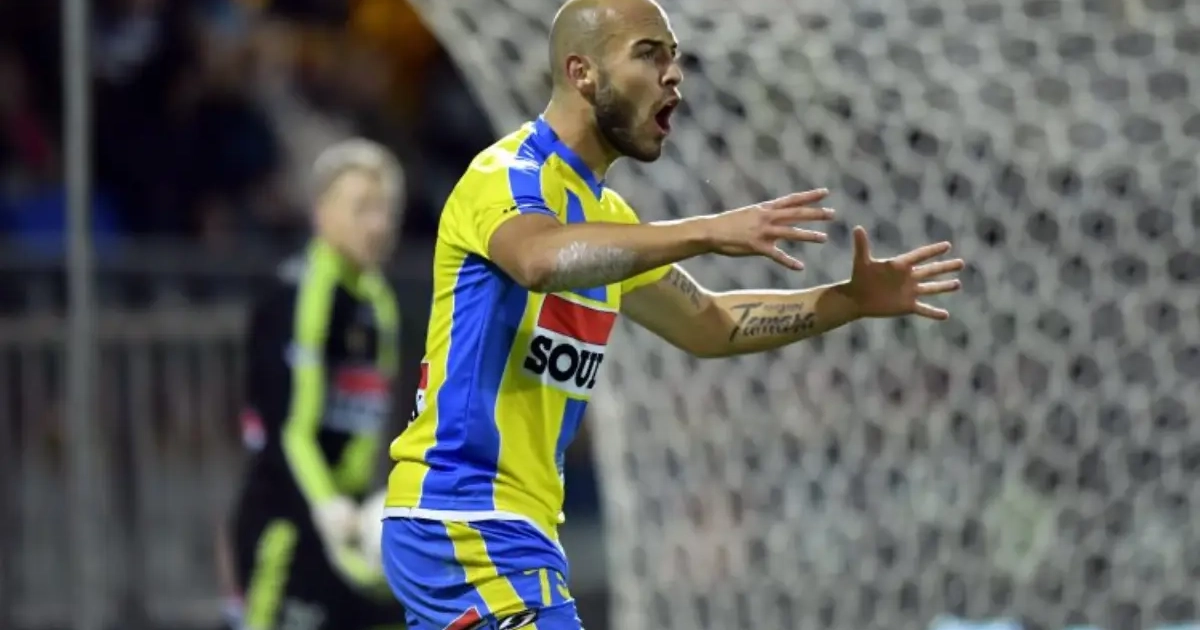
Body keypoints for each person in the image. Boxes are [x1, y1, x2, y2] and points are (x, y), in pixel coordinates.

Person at [380, 0, 965, 627]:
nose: (674, 74)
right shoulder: (507, 175)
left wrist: (847, 300)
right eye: (649, 54)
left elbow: (709, 323)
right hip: (467, 517)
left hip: (504, 527)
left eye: (675, 56)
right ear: (582, 73)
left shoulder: (609, 217)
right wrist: (707, 231)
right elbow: (539, 260)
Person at [229, 138, 407, 630]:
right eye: (362, 208)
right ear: (321, 212)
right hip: (288, 526)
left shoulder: (378, 301)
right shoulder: (300, 294)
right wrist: (324, 504)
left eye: (386, 210)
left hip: (350, 527)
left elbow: (368, 425)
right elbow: (288, 428)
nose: (378, 224)